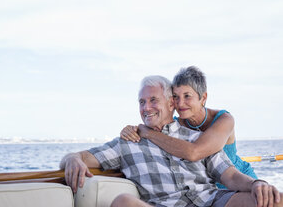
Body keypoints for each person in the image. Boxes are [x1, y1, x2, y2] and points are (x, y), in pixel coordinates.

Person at [60, 75, 282, 207]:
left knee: (275, 199)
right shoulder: (128, 142)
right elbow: (84, 157)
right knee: (123, 203)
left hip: (210, 201)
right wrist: (72, 159)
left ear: (170, 104)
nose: (146, 108)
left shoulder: (195, 138)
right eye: (141, 102)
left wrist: (257, 183)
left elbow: (230, 175)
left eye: (153, 100)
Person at [120, 66, 256, 188]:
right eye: (176, 97)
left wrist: (147, 132)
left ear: (203, 98)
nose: (180, 103)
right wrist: (132, 130)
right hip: (209, 190)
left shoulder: (224, 119)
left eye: (187, 96)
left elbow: (194, 152)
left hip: (239, 180)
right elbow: (154, 134)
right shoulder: (175, 124)